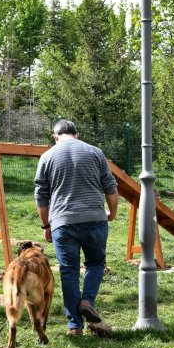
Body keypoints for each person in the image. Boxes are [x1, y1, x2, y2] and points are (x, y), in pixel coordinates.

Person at [34, 119, 119, 336]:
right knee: (96, 263)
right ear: (77, 134)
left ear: (55, 136)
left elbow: (41, 195)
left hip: (63, 222)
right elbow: (110, 186)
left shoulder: (47, 156)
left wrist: (46, 225)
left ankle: (75, 326)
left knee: (68, 271)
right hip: (95, 218)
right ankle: (87, 301)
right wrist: (112, 213)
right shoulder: (96, 152)